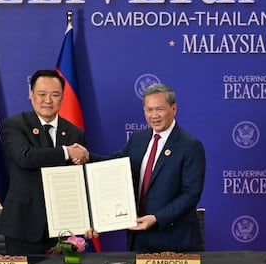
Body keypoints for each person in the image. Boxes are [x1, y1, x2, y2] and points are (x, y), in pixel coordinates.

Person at [86, 83, 206, 252]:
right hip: (139, 238)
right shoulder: (138, 139)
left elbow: (191, 194)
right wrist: (87, 157)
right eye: (149, 110)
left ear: (174, 108)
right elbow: (115, 164)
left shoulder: (190, 146)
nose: (154, 115)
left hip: (174, 239)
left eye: (160, 109)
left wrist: (157, 218)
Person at [0, 69, 89, 255]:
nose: (48, 100)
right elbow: (25, 157)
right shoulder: (15, 125)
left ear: (63, 97)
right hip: (23, 225)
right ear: (31, 95)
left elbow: (80, 180)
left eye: (55, 95)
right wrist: (65, 152)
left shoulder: (75, 133)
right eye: (42, 94)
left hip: (63, 227)